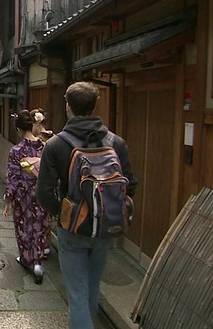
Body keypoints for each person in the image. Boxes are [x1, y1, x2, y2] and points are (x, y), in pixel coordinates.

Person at [36, 82, 137, 328]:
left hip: (72, 228)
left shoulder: (56, 145)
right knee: (92, 286)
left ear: (67, 105)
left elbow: (44, 193)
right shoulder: (116, 142)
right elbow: (130, 184)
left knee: (77, 294)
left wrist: (63, 213)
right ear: (94, 106)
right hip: (105, 227)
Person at [3, 110, 47, 284]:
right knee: (39, 226)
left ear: (18, 129)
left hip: (23, 195)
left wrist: (8, 200)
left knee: (24, 226)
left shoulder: (17, 150)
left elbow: (12, 177)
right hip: (41, 193)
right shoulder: (45, 147)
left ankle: (26, 258)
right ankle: (38, 262)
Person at [29, 108, 54, 259]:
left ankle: (38, 245)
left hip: (36, 181)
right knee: (46, 215)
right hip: (49, 181)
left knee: (37, 215)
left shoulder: (37, 142)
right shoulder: (53, 139)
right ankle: (45, 245)